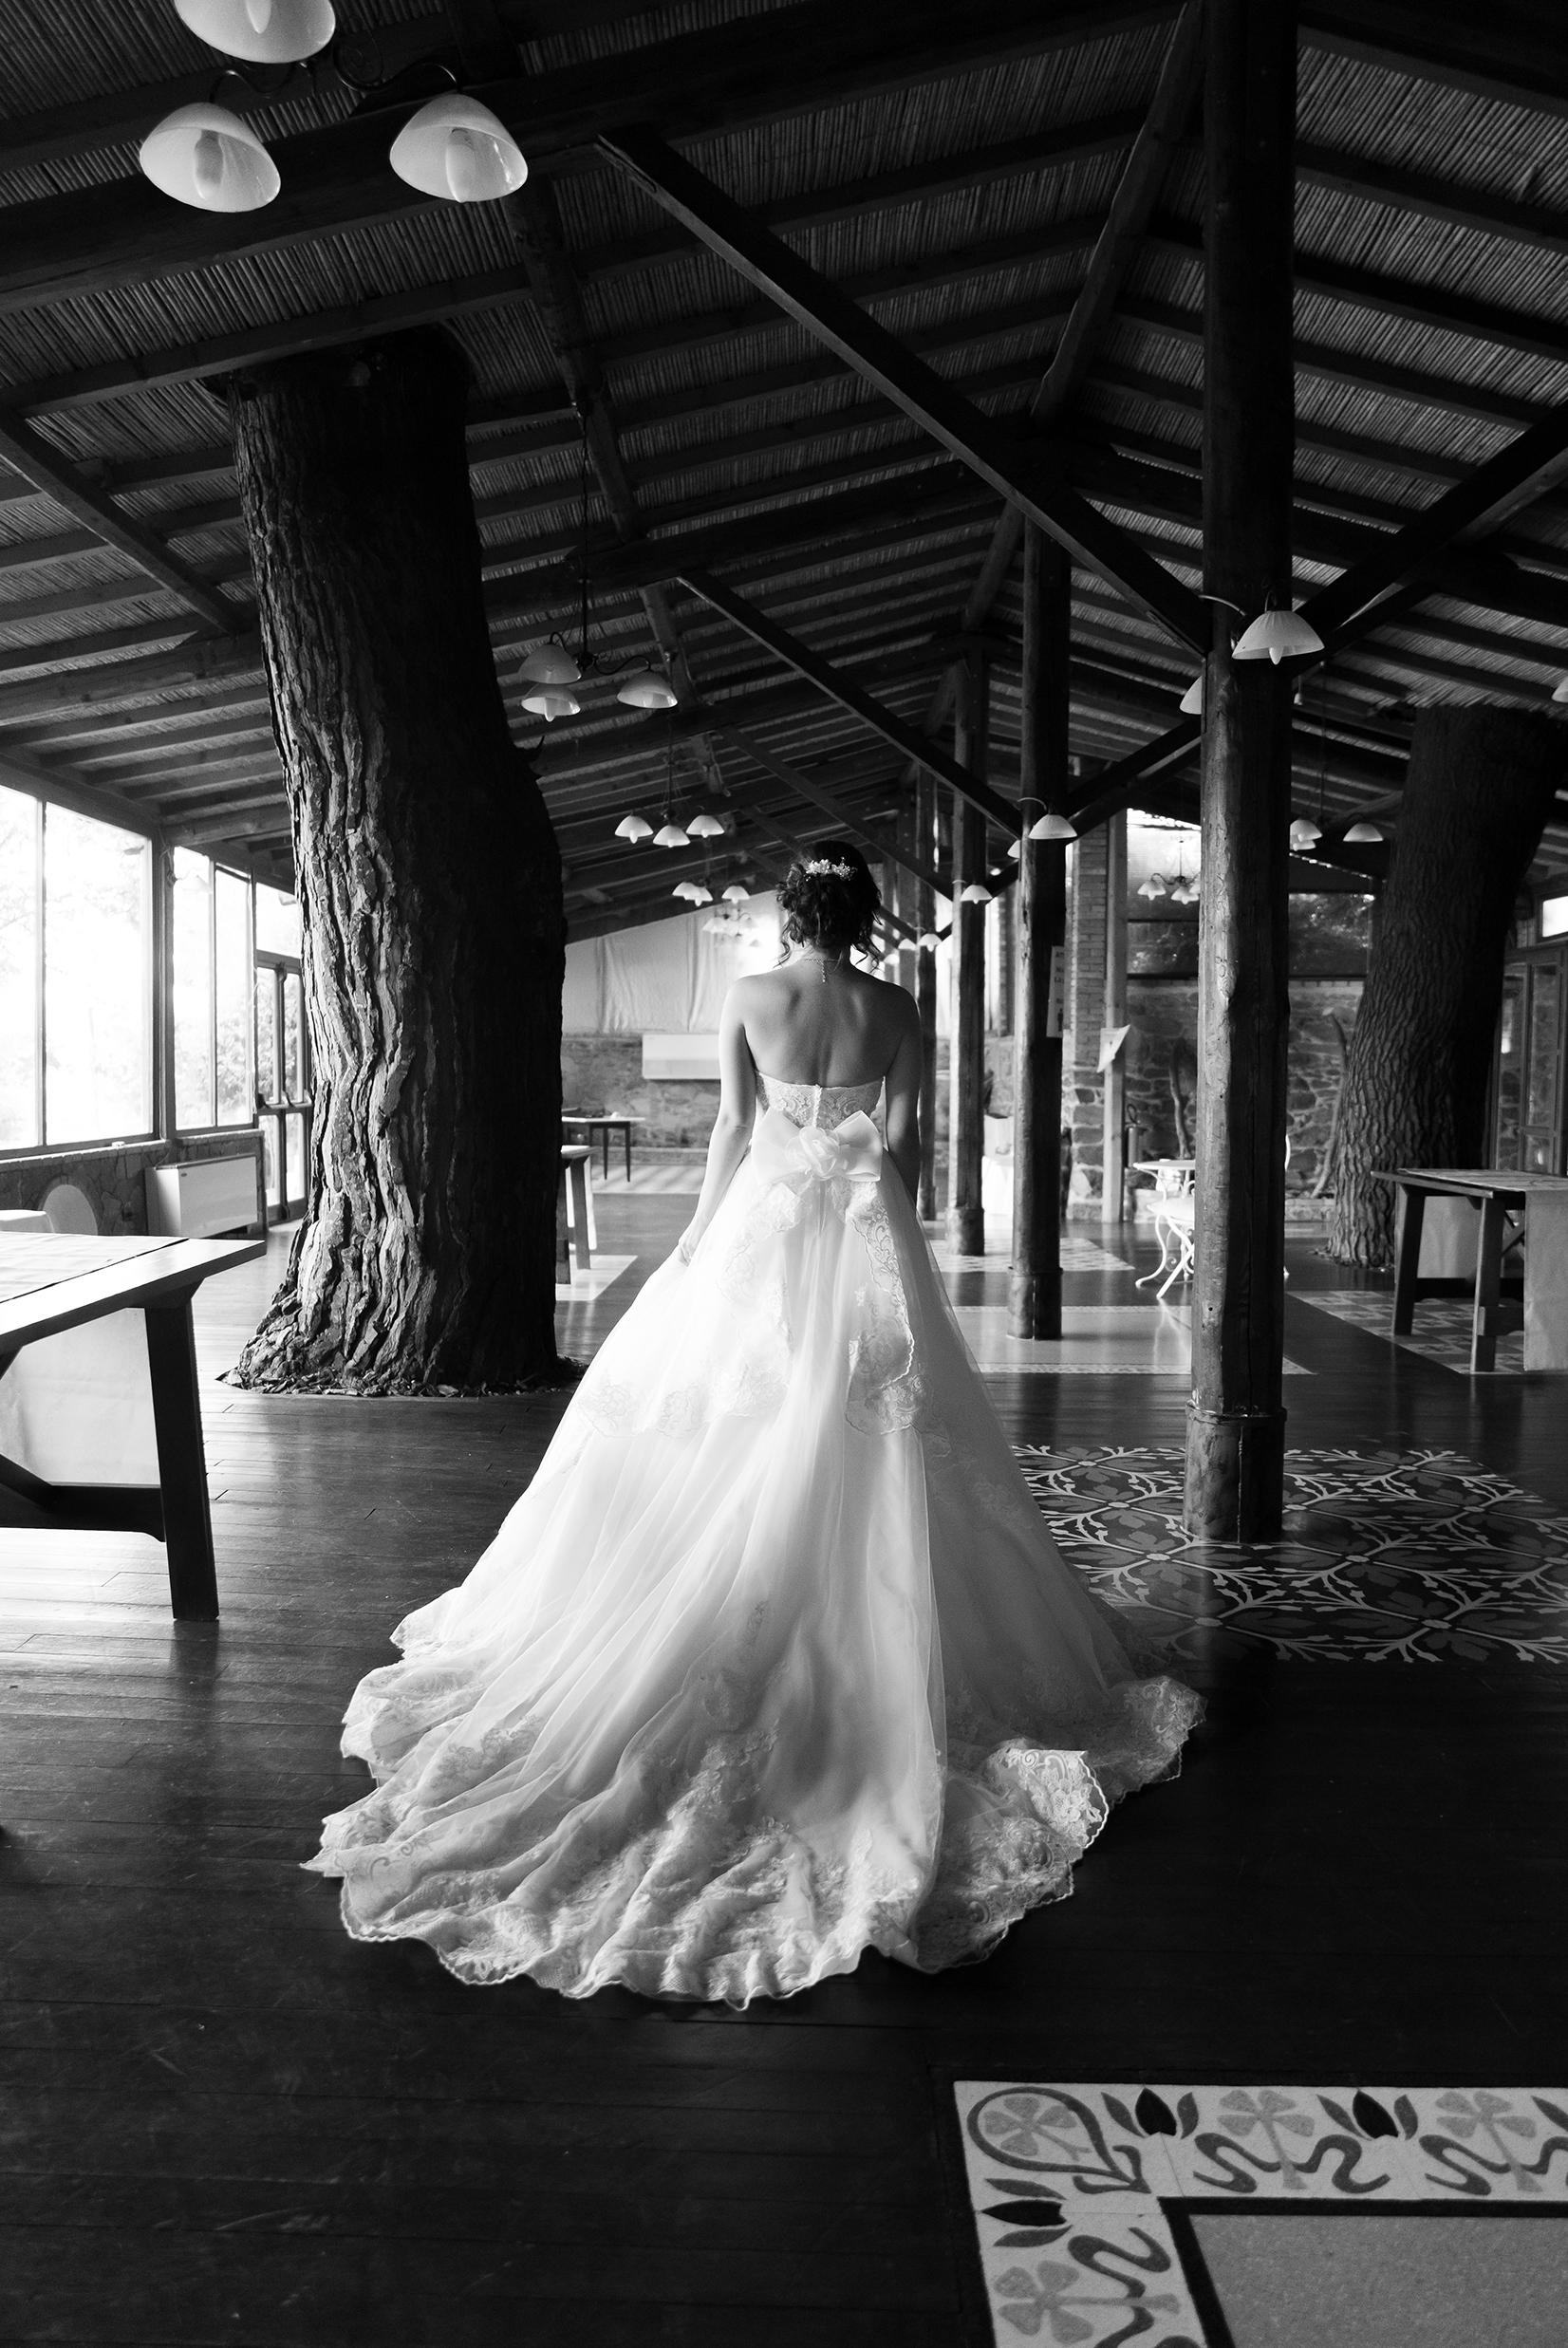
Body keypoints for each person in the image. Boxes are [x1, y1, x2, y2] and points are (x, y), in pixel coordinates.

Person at [307, 845, 1202, 2003]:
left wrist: (697, 1236)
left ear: (793, 915)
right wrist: (876, 1207)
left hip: (763, 1224)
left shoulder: (748, 995)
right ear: (864, 916)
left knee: (728, 1407)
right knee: (879, 1416)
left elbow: (734, 1126)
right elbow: (908, 1142)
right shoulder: (894, 1007)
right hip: (862, 1223)